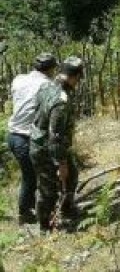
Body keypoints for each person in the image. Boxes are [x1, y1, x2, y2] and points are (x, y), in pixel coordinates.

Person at [29, 56, 84, 232]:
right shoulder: (61, 100)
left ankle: (67, 208)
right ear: (74, 77)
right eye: (78, 78)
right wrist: (61, 164)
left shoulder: (46, 86)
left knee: (72, 176)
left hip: (50, 144)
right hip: (46, 148)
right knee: (48, 189)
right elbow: (56, 135)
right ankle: (45, 226)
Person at [7, 53, 58, 225]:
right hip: (27, 137)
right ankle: (26, 213)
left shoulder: (18, 79)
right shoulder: (47, 85)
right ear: (51, 69)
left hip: (13, 136)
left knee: (30, 174)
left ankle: (34, 209)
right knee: (33, 176)